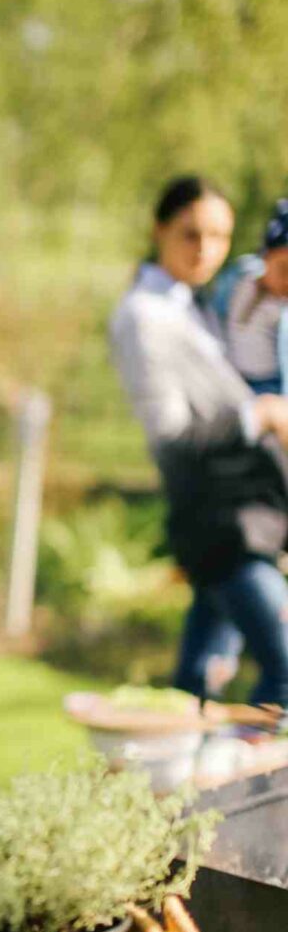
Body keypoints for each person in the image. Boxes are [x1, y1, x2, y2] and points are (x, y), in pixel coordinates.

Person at [110, 175, 288, 706]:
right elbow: (169, 436)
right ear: (159, 229)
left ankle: (167, 786)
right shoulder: (145, 316)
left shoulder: (196, 303)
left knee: (195, 691)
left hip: (245, 514)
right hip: (219, 523)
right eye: (191, 234)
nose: (205, 250)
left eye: (219, 236)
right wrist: (259, 415)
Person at [212, 198, 288, 394]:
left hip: (269, 385)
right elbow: (215, 310)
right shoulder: (239, 277)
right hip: (230, 374)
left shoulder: (282, 308)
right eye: (284, 269)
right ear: (265, 256)